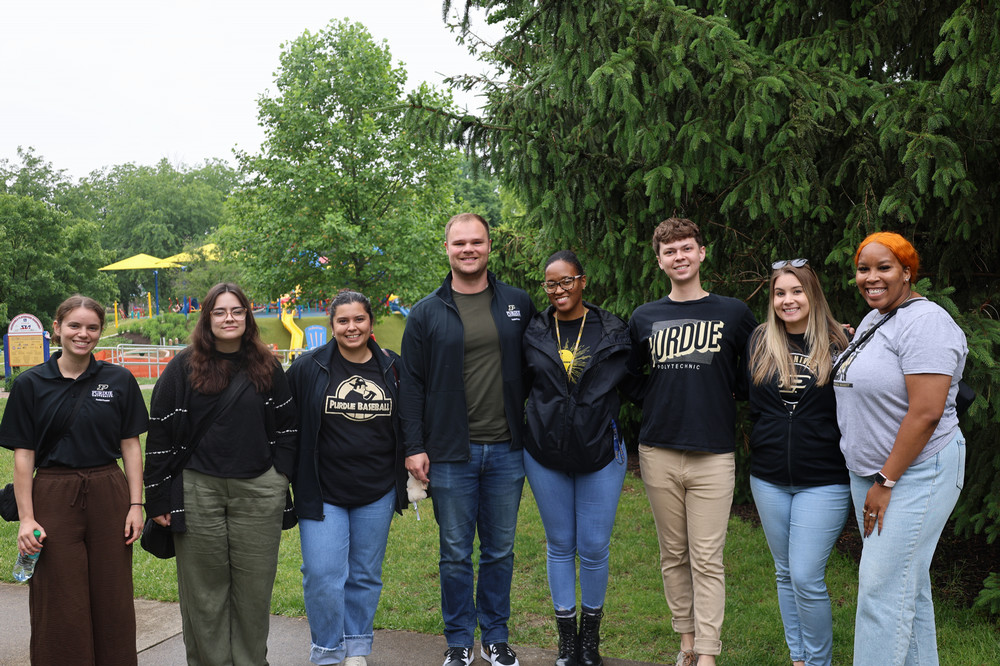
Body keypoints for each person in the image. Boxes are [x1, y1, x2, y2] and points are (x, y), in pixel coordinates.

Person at [401, 213, 537, 666]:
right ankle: (459, 640)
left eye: (476, 242)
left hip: (507, 450)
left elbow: (539, 372)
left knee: (500, 550)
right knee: (456, 553)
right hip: (450, 454)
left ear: (489, 246)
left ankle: (495, 636)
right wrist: (414, 446)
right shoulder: (426, 312)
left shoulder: (517, 303)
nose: (468, 249)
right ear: (447, 249)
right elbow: (412, 385)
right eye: (459, 243)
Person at [144, 282, 297, 665]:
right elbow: (160, 430)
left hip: (259, 490)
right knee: (204, 592)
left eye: (237, 311)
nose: (229, 318)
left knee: (253, 590)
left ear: (248, 316)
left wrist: (280, 476)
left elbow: (289, 426)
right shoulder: (182, 367)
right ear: (207, 318)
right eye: (220, 312)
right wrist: (158, 497)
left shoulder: (268, 365)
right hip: (198, 490)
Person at [627, 218, 757, 666]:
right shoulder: (645, 317)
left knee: (707, 557)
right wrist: (661, 398)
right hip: (658, 450)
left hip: (713, 453)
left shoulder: (734, 312)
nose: (679, 257)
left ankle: (707, 654)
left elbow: (761, 361)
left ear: (703, 252)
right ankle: (685, 642)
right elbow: (631, 377)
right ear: (659, 260)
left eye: (686, 248)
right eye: (669, 251)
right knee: (673, 554)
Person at [833, 232, 967, 666]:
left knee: (881, 594)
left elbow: (925, 413)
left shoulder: (926, 322)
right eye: (863, 268)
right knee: (906, 586)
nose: (871, 278)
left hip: (913, 474)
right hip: (871, 474)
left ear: (908, 272)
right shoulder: (877, 319)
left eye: (884, 268)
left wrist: (886, 480)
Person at [0, 295, 148, 665]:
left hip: (108, 492)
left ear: (100, 331)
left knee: (112, 596)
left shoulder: (119, 379)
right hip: (52, 494)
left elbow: (131, 447)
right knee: (59, 597)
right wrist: (27, 517)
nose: (83, 334)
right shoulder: (30, 384)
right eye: (75, 326)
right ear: (57, 328)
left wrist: (136, 504)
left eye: (92, 327)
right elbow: (23, 456)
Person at [522, 250, 633, 666]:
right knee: (559, 545)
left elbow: (639, 379)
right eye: (551, 284)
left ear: (582, 281)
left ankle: (591, 641)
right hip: (545, 453)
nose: (558, 290)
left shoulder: (612, 330)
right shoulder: (533, 331)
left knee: (593, 547)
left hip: (600, 451)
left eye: (566, 281)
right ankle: (566, 641)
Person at [287, 291, 407, 666]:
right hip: (322, 491)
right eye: (343, 321)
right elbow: (282, 418)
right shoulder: (309, 367)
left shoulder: (393, 367)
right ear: (332, 324)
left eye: (358, 319)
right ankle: (326, 651)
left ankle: (356, 648)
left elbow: (411, 419)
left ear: (370, 322)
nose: (351, 327)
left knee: (365, 575)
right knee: (322, 575)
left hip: (377, 489)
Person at [746, 260, 851, 666]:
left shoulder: (842, 342)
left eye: (796, 291)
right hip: (769, 478)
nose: (787, 300)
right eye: (779, 293)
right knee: (784, 573)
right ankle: (799, 658)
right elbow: (751, 404)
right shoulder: (758, 341)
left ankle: (819, 662)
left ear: (813, 294)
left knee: (806, 576)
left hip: (824, 479)